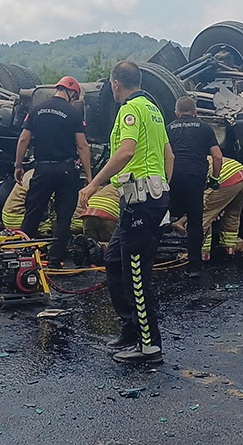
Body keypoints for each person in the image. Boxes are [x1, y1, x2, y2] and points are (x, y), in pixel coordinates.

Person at [79, 61, 173, 365]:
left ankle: (149, 346)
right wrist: (164, 189)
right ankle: (130, 329)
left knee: (137, 272)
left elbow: (126, 151)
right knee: (114, 258)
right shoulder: (154, 111)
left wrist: (93, 184)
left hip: (141, 200)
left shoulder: (130, 110)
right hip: (148, 198)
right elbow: (168, 155)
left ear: (115, 83)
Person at [14, 76, 92, 265]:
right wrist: (90, 176)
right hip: (66, 169)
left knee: (33, 212)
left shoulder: (36, 110)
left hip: (43, 168)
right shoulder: (73, 113)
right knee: (64, 216)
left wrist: (18, 165)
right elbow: (82, 146)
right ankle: (55, 260)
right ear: (72, 93)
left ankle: (23, 256)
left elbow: (23, 139)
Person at [166, 96, 222, 276]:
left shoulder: (168, 128)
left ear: (177, 113)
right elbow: (218, 156)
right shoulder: (205, 128)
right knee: (195, 222)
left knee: (162, 216)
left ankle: (151, 259)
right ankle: (194, 267)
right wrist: (214, 179)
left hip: (172, 177)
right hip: (195, 178)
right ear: (195, 112)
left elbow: (163, 155)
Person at [173, 157, 243, 260]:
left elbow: (199, 203)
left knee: (202, 216)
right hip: (242, 175)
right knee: (232, 215)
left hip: (224, 178)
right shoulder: (196, 157)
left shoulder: (181, 167)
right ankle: (229, 250)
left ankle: (200, 253)